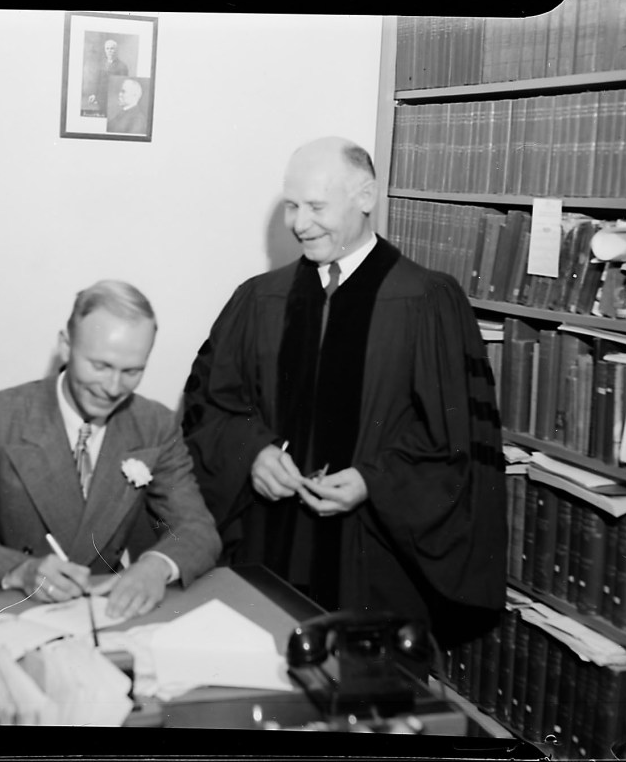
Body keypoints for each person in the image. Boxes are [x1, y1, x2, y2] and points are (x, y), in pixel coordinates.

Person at [181, 137, 507, 646]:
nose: (299, 223)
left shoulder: (427, 301)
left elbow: (456, 440)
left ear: (366, 197)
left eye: (316, 206)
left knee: (364, 689)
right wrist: (252, 453)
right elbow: (210, 406)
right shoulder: (259, 299)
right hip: (268, 546)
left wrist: (373, 482)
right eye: (292, 205)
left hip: (375, 560)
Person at [0, 280, 221, 618]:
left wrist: (156, 566)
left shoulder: (154, 424)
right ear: (66, 346)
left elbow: (198, 530)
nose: (113, 388)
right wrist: (19, 569)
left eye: (132, 371)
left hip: (99, 611)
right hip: (5, 605)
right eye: (100, 366)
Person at [86, 39, 129, 115]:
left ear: (116, 50)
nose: (109, 51)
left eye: (112, 48)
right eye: (107, 48)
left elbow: (122, 85)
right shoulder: (102, 64)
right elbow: (98, 81)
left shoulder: (122, 66)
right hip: (101, 99)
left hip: (113, 99)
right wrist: (94, 94)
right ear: (105, 50)